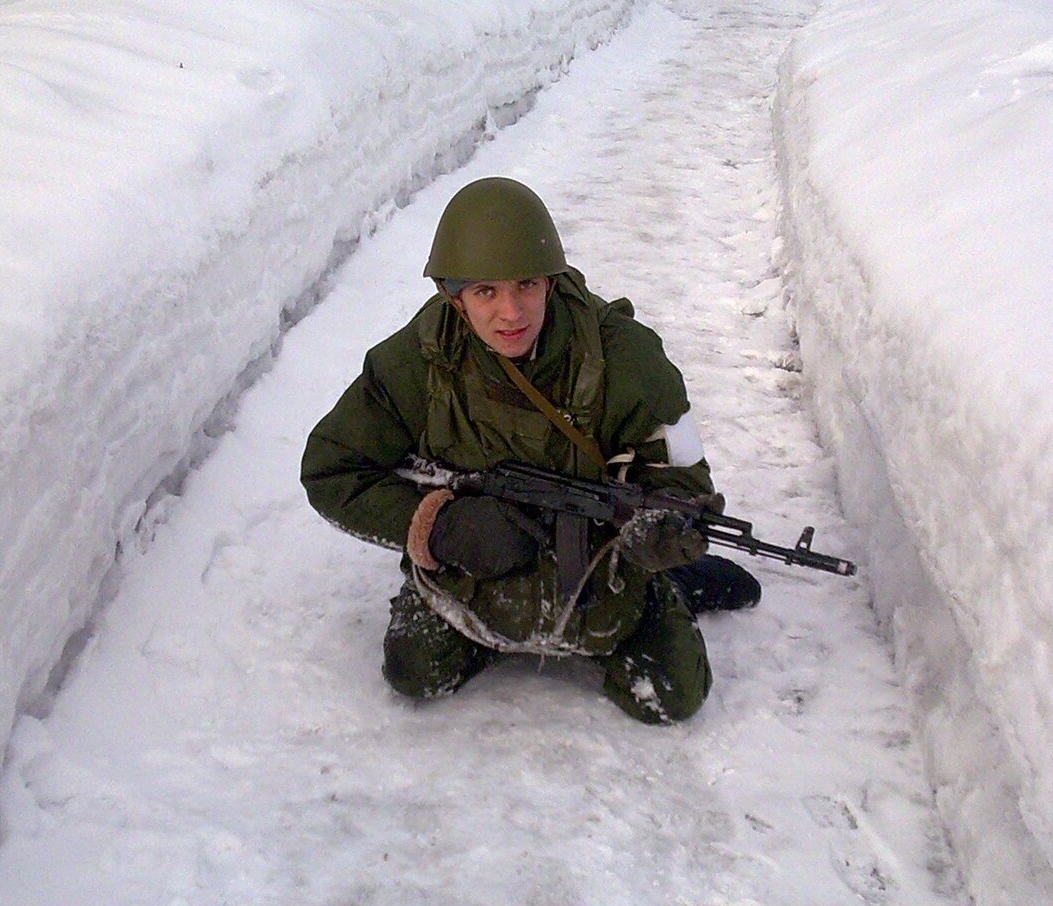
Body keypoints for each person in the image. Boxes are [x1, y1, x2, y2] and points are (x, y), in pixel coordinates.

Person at [301, 176, 758, 724]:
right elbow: (332, 470)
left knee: (672, 695)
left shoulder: (629, 360)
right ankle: (491, 630)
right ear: (454, 296)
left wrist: (659, 533)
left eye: (526, 286)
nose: (511, 312)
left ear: (550, 282)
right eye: (485, 292)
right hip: (471, 579)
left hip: (603, 576)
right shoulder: (417, 363)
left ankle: (672, 587)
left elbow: (683, 477)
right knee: (413, 671)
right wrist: (436, 527)